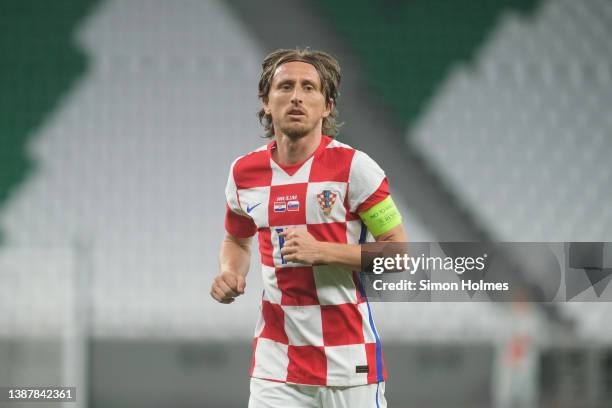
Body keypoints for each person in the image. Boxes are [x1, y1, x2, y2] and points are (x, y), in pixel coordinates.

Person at [210, 48, 406, 408]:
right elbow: (237, 240)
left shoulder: (355, 168)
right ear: (266, 101)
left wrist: (322, 251)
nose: (296, 95)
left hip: (349, 365)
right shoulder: (243, 174)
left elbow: (398, 254)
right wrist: (229, 272)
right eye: (284, 86)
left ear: (327, 105)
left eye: (309, 87)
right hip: (276, 368)